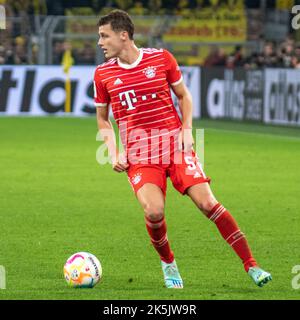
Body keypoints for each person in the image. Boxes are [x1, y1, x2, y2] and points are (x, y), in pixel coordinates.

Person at [94, 9, 272, 289]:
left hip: (175, 147)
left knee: (208, 203)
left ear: (123, 35)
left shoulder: (161, 58)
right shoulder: (103, 74)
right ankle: (169, 263)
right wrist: (113, 150)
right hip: (140, 156)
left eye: (105, 36)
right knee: (154, 212)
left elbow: (184, 95)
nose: (100, 42)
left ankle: (252, 265)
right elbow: (103, 118)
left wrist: (187, 130)